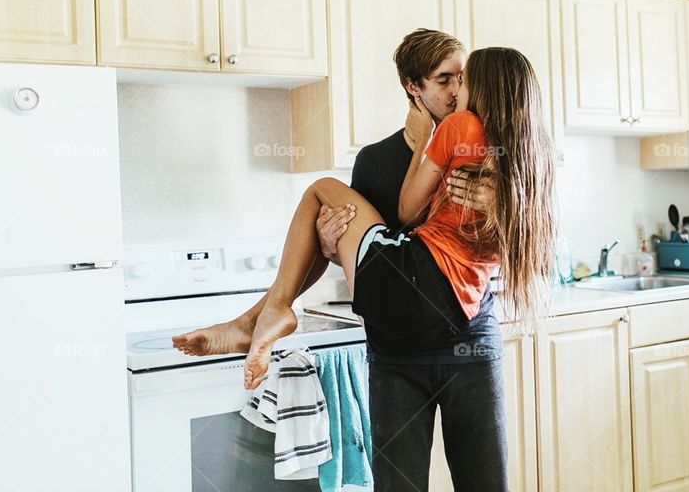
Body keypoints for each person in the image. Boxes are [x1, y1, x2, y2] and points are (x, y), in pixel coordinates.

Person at [173, 33, 557, 491]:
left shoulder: (503, 152)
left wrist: (503, 204)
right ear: (413, 87)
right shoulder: (376, 161)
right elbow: (365, 264)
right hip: (396, 352)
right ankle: (261, 317)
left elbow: (527, 247)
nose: (456, 91)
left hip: (470, 343)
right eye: (444, 80)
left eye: (463, 78)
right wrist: (330, 245)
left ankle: (259, 317)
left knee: (485, 481)